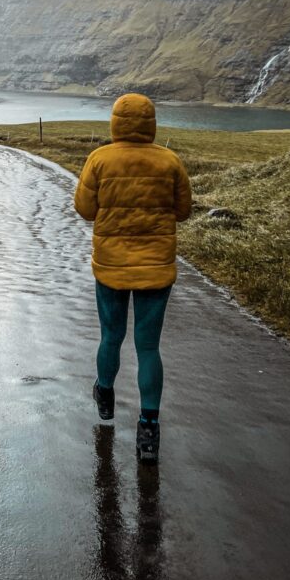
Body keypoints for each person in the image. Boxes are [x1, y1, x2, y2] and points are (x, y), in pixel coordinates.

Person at [74, 92, 191, 462]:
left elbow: (85, 210)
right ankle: (148, 427)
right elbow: (184, 211)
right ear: (151, 123)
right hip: (156, 269)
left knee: (111, 336)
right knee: (148, 347)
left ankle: (105, 393)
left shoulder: (100, 159)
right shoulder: (170, 161)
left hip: (110, 267)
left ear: (116, 122)